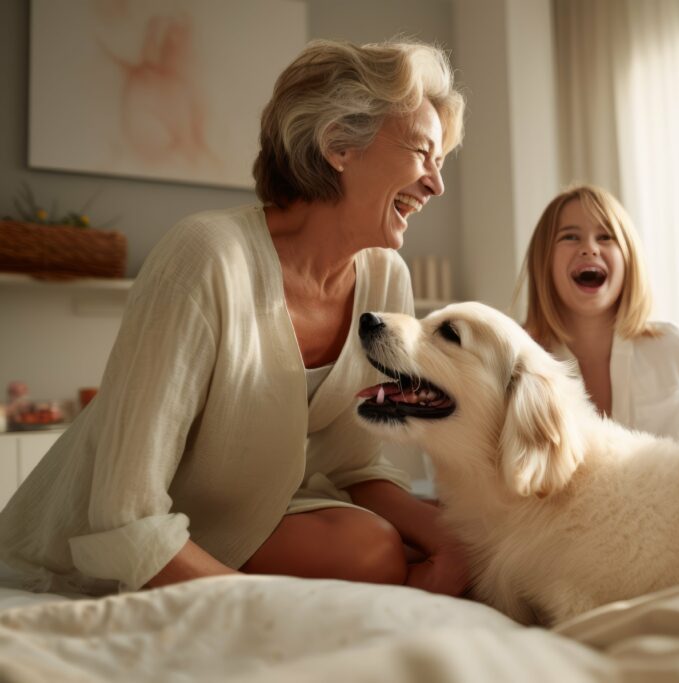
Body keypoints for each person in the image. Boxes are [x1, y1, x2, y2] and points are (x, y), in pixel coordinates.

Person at [0, 39, 470, 596]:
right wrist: (247, 608)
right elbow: (124, 513)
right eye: (422, 154)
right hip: (105, 541)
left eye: (440, 164)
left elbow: (353, 465)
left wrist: (455, 541)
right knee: (373, 552)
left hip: (250, 519)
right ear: (340, 144)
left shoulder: (386, 277)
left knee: (400, 545)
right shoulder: (205, 255)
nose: (436, 185)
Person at [518, 184, 679, 458]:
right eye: (569, 237)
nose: (589, 248)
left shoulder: (674, 349)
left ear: (628, 257)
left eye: (605, 237)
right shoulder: (516, 363)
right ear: (544, 261)